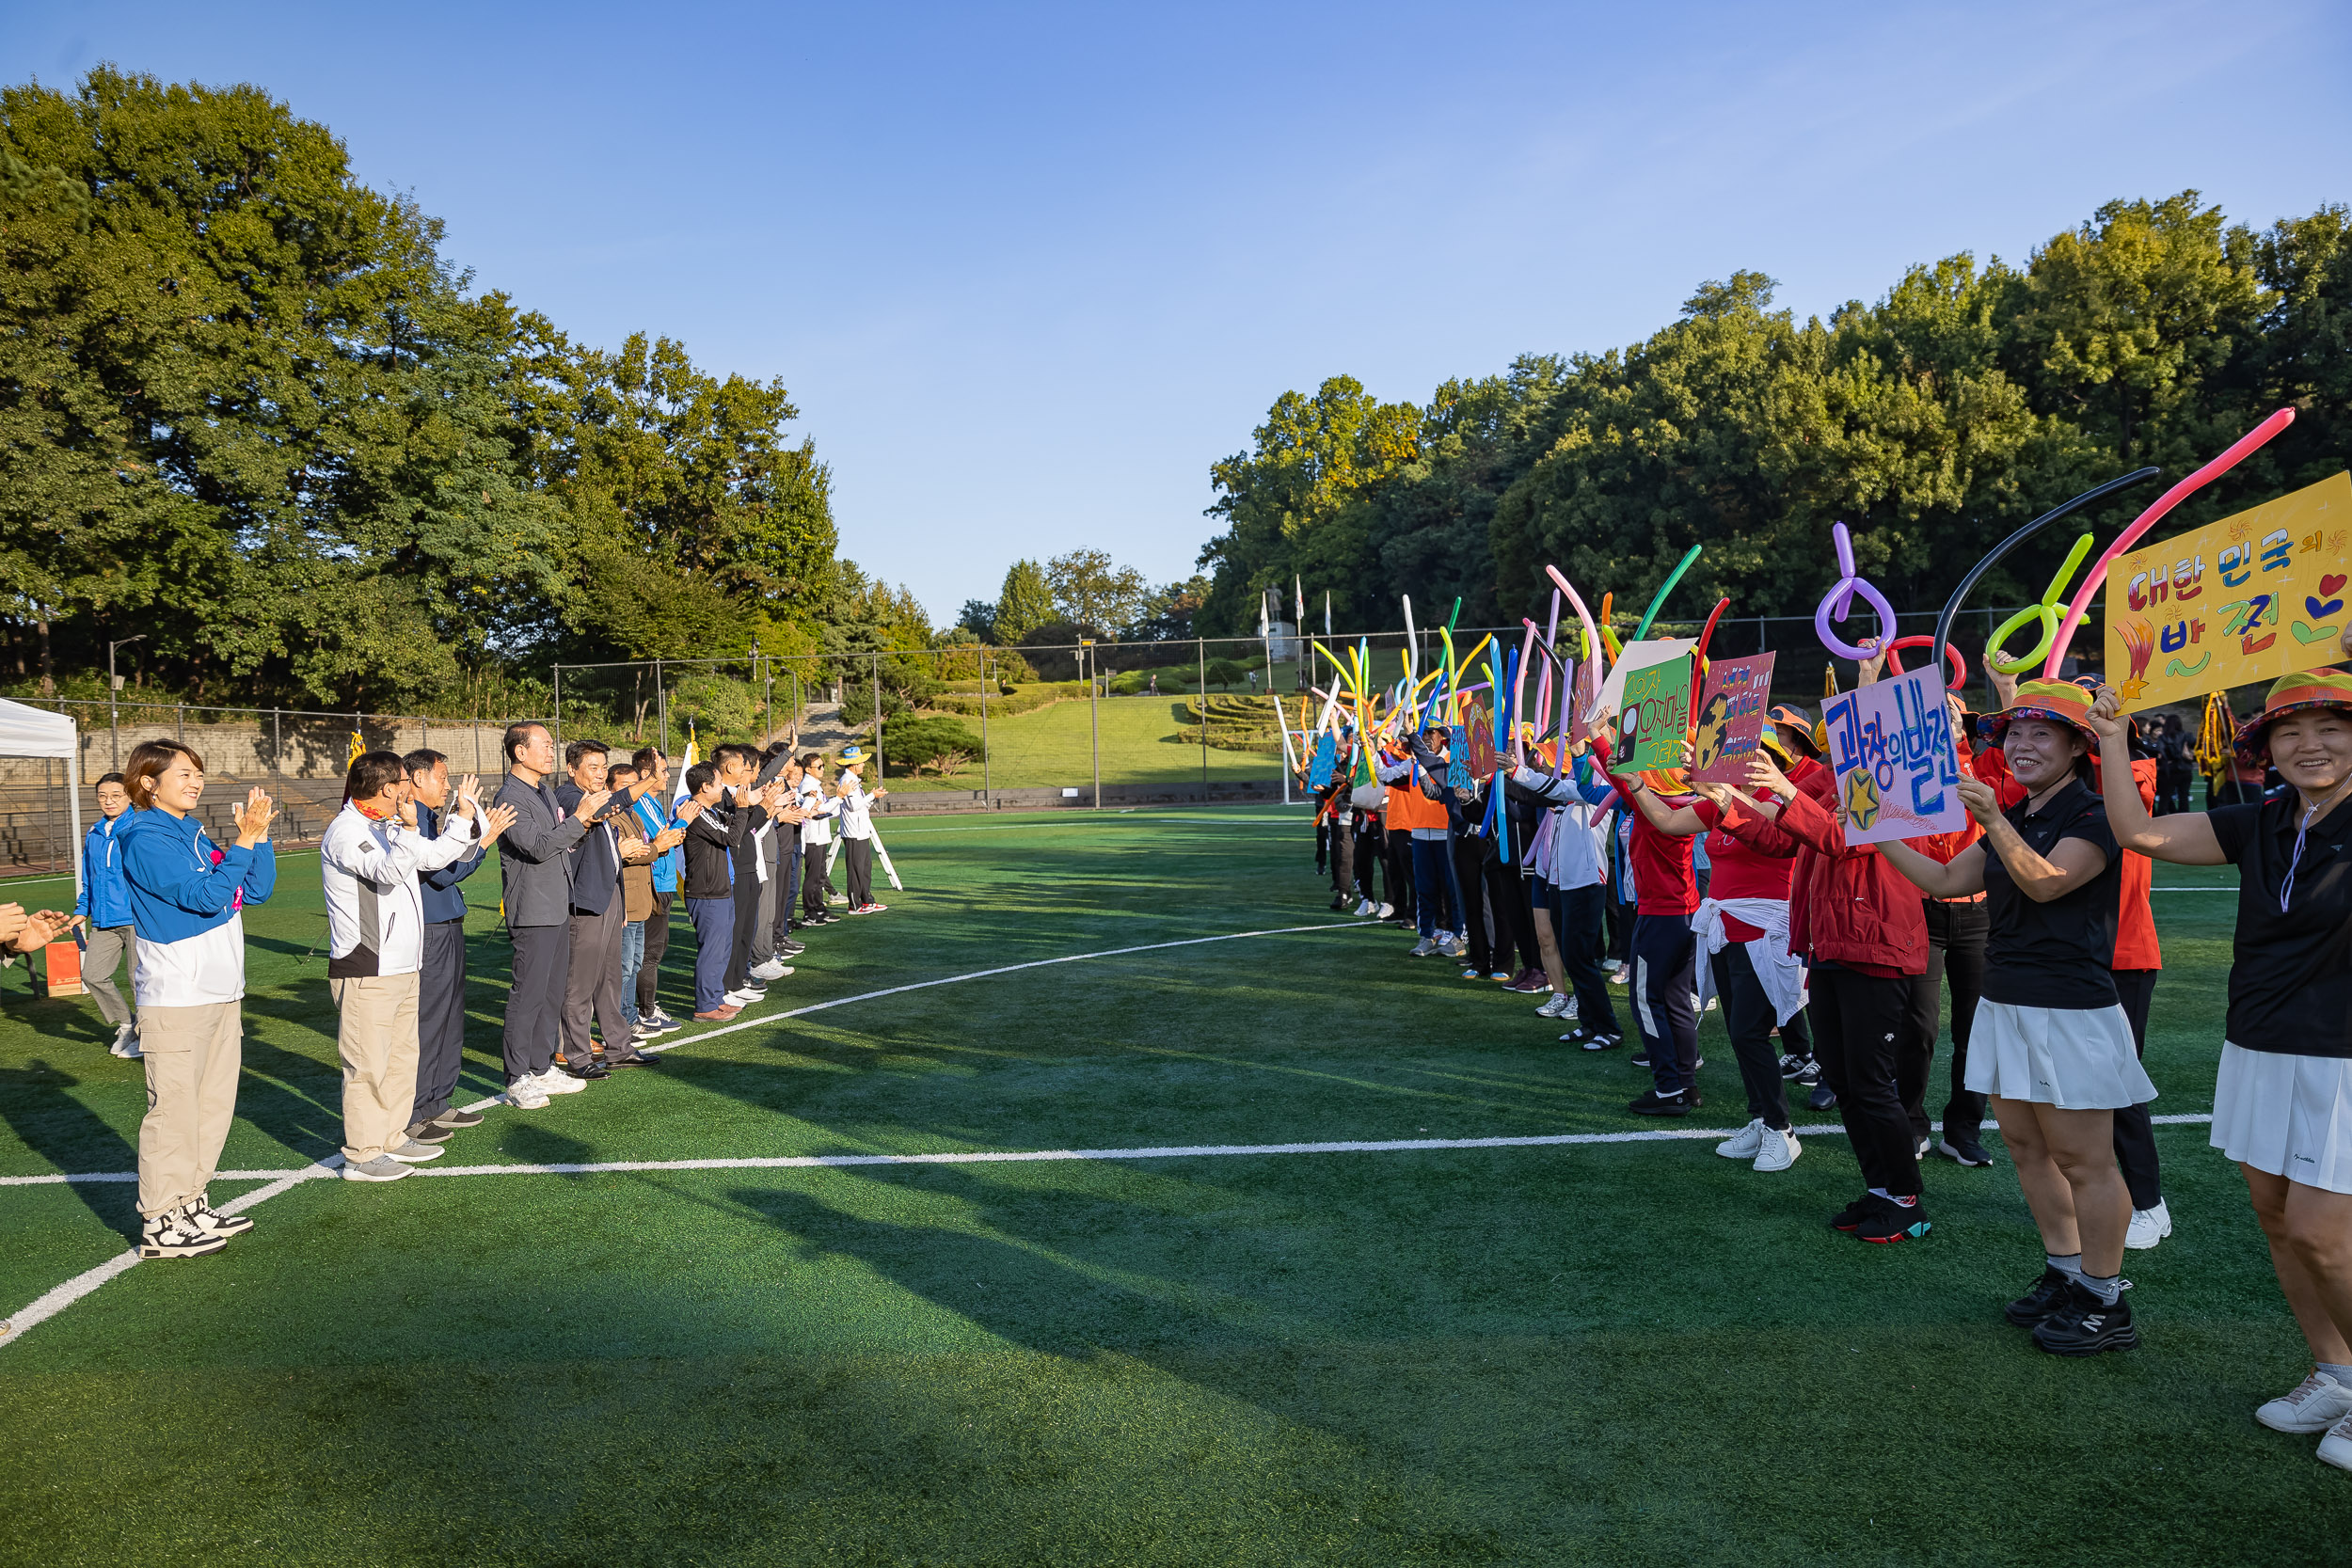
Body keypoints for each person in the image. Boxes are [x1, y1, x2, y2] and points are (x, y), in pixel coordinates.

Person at [2090, 668, 2352, 1460]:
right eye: (2290, 730)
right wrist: (2107, 737)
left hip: (2343, 1057)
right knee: (2276, 1217)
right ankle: (2335, 1371)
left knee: (2320, 1230)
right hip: (2259, 1042)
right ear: (2265, 747)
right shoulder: (2263, 817)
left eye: (2332, 727)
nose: (2310, 744)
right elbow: (2138, 831)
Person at [1876, 680, 2152, 1350]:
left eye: (2041, 733)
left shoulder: (2095, 814)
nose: (2022, 745)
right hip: (2008, 999)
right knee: (2027, 1147)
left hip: (2071, 1008)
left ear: (2079, 746)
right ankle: (2065, 1270)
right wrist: (1878, 828)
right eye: (2014, 734)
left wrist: (1993, 820)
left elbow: (2047, 880)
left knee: (2085, 1160)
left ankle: (2106, 1295)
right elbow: (1945, 881)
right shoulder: (2020, 812)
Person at [1728, 737, 1931, 1245]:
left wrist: (1782, 790)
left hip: (1878, 946)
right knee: (1843, 1080)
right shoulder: (1832, 775)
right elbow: (1781, 839)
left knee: (1870, 1083)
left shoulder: (1905, 775)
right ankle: (1880, 1188)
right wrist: (1721, 799)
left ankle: (1906, 1199)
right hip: (1830, 946)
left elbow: (1845, 838)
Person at [113, 740, 277, 1258]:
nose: (195, 782)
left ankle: (191, 1203)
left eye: (197, 773)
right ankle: (161, 1221)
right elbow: (203, 897)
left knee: (211, 1108)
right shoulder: (143, 837)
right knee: (174, 1113)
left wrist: (260, 839)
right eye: (182, 774)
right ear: (148, 782)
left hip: (222, 992)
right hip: (176, 997)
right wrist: (243, 843)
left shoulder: (193, 834)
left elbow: (254, 892)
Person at [322, 751, 514, 1181]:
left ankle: (391, 1136)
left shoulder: (386, 825)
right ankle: (362, 1153)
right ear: (390, 788)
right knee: (368, 1064)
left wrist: (463, 820)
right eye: (405, 782)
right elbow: (388, 871)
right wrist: (409, 829)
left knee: (401, 1058)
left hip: (405, 962)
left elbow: (432, 858)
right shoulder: (347, 831)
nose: (411, 790)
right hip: (366, 964)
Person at [1635, 732, 1810, 1171]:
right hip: (1725, 928)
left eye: (1752, 753)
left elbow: (1762, 825)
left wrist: (1715, 787)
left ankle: (1782, 1129)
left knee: (1751, 1031)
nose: (1740, 759)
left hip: (1764, 930)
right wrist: (1633, 783)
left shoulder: (1777, 801)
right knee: (1737, 1031)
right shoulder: (1721, 802)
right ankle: (1761, 1117)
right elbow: (1668, 822)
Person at [492, 722, 605, 1107]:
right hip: (533, 909)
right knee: (529, 995)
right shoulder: (509, 796)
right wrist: (579, 819)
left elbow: (558, 842)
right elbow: (537, 847)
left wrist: (584, 824)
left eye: (552, 745)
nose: (551, 751)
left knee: (552, 993)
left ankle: (541, 1067)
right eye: (544, 745)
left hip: (557, 903)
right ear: (519, 752)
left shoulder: (541, 791)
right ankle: (517, 1076)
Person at [401, 749, 493, 1146]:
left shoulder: (429, 818)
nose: (447, 785)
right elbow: (442, 873)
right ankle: (416, 1109)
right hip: (430, 929)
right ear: (418, 778)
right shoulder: (410, 819)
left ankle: (439, 1099)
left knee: (451, 1016)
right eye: (441, 776)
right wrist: (484, 840)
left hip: (448, 924)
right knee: (429, 1019)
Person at [553, 739, 655, 1075]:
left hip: (607, 897)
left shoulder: (596, 797)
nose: (600, 774)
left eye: (602, 767)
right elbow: (603, 808)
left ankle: (618, 1047)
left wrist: (619, 902)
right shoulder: (569, 796)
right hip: (584, 901)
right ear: (572, 770)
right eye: (592, 767)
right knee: (579, 984)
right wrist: (647, 780)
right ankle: (577, 1056)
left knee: (610, 979)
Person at [74, 770, 139, 1058]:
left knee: (140, 982)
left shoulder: (139, 826)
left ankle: (146, 1038)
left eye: (116, 795)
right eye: (102, 796)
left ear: (129, 796)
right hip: (104, 920)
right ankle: (127, 1023)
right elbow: (89, 877)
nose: (108, 801)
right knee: (92, 975)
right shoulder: (94, 832)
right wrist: (82, 909)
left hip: (138, 918)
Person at [678, 761, 749, 1020]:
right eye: (719, 784)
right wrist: (742, 808)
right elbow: (731, 837)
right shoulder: (695, 812)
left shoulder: (711, 810)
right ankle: (705, 1005)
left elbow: (731, 830)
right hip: (706, 893)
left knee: (722, 948)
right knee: (711, 950)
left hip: (720, 889)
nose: (722, 789)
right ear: (705, 786)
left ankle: (716, 998)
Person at [628, 747, 685, 1032]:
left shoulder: (651, 801)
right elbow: (655, 843)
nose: (667, 775)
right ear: (645, 774)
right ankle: (644, 1011)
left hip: (663, 883)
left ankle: (645, 1008)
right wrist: (681, 823)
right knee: (647, 953)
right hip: (652, 886)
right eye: (662, 770)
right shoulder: (638, 804)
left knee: (654, 950)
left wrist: (677, 827)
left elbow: (663, 837)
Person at [834, 747, 890, 913]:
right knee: (856, 868)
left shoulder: (854, 780)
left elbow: (860, 804)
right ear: (853, 764)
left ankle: (867, 900)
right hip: (853, 831)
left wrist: (872, 796)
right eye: (861, 762)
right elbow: (853, 806)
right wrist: (872, 796)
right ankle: (854, 904)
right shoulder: (847, 780)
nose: (864, 765)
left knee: (865, 867)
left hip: (860, 829)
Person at [799, 754, 843, 922]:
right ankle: (810, 911)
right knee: (813, 876)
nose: (823, 769)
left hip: (820, 835)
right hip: (813, 836)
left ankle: (818, 908)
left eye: (823, 765)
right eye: (819, 766)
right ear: (808, 769)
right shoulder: (808, 785)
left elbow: (823, 809)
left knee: (818, 876)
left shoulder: (815, 784)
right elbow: (816, 812)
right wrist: (838, 798)